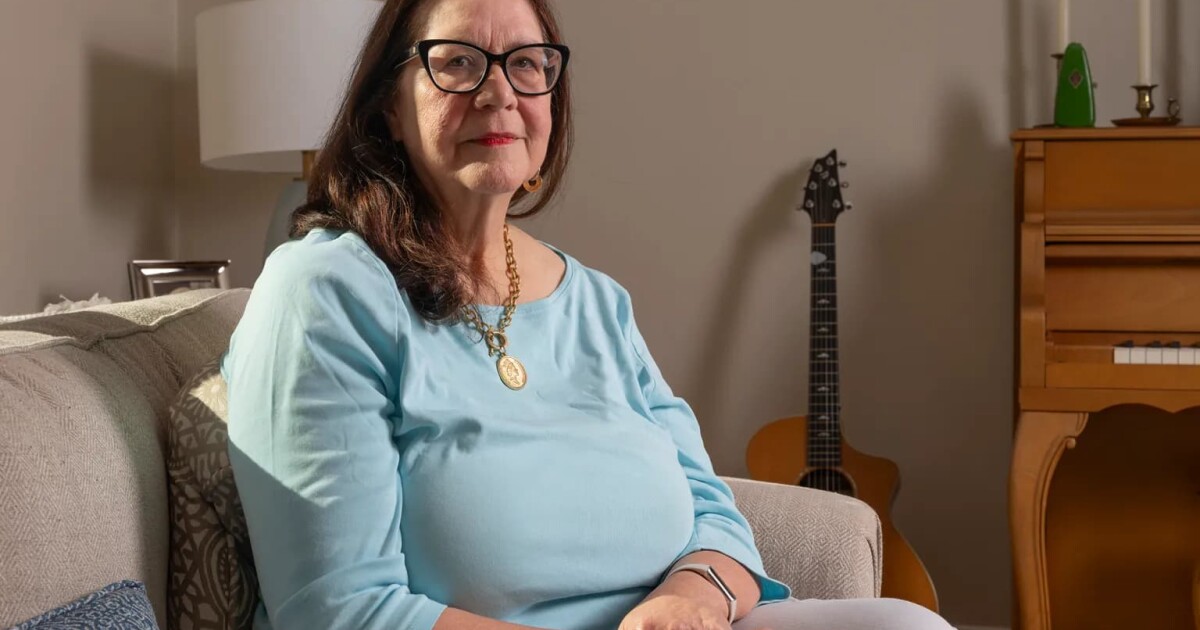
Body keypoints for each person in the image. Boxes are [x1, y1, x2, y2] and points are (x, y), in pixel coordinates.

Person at [221, 0, 956, 628]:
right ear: (388, 105)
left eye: (527, 64)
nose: (499, 92)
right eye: (458, 63)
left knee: (905, 622)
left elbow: (715, 512)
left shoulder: (595, 302)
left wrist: (689, 598)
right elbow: (339, 609)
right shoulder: (325, 292)